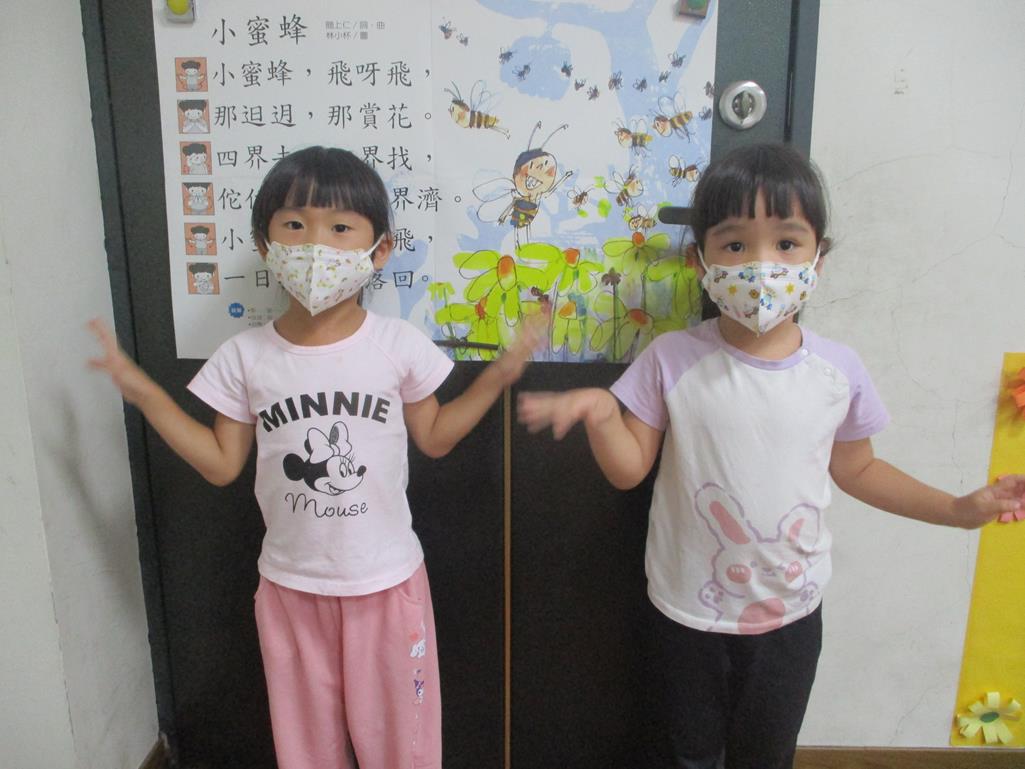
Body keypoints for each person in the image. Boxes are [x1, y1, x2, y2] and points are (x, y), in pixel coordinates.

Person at [517, 142, 1025, 769]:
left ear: (818, 258)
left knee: (766, 754)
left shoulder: (837, 370)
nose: (761, 265)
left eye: (786, 243)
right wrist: (600, 412)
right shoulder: (672, 359)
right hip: (686, 613)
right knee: (683, 753)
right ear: (701, 261)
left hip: (790, 615)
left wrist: (957, 509)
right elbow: (629, 472)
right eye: (735, 245)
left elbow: (860, 468)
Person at [89, 145, 541, 769]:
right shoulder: (245, 356)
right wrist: (145, 393)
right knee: (306, 752)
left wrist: (498, 375)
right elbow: (221, 463)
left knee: (403, 751)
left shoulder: (396, 343)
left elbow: (435, 437)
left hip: (386, 587)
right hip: (290, 589)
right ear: (265, 243)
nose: (315, 246)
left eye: (340, 228)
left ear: (379, 250)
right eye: (295, 225)